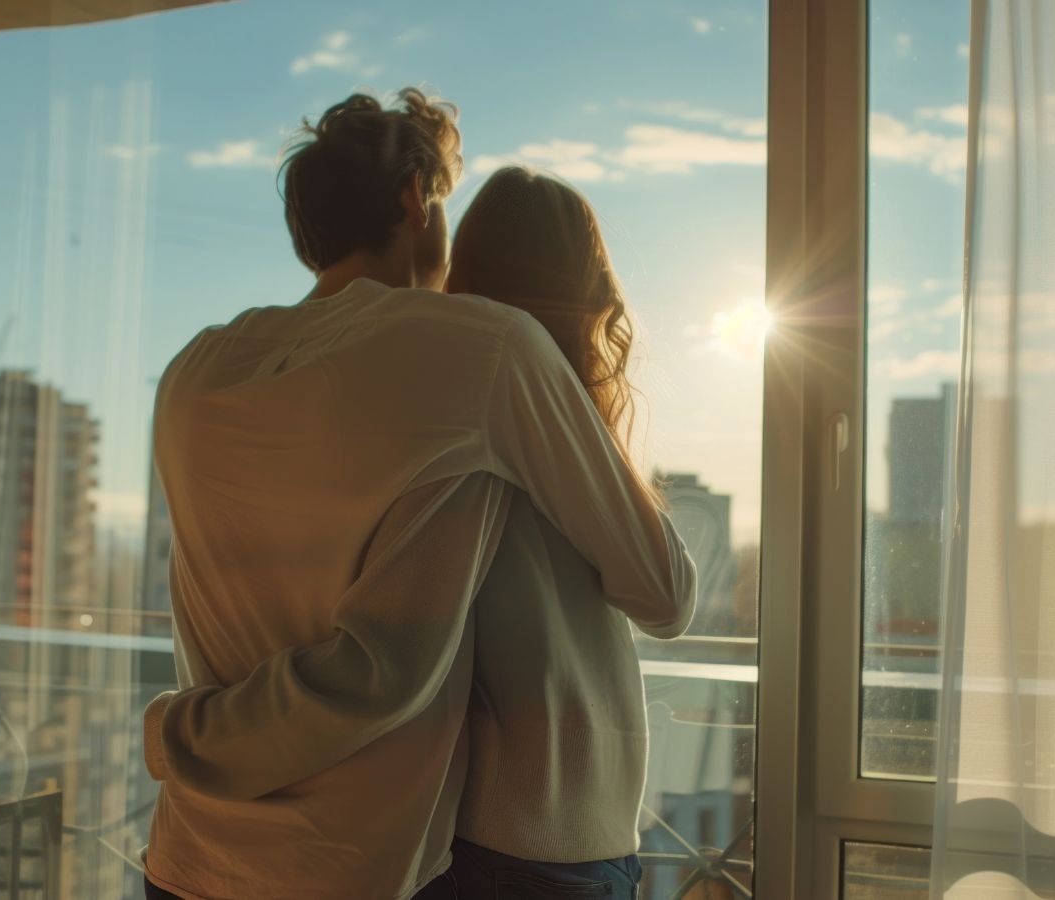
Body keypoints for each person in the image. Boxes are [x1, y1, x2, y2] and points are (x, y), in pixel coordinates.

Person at [139, 89, 696, 900]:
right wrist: (172, 734)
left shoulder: (194, 371)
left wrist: (175, 736)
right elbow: (663, 592)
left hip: (189, 853)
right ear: (415, 198)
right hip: (351, 867)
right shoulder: (473, 349)